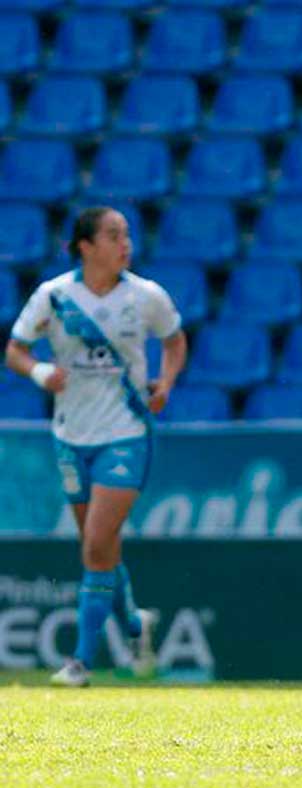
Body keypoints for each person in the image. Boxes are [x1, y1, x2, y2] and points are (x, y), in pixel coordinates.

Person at [5, 206, 187, 687]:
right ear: (85, 246)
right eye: (112, 235)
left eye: (126, 235)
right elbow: (15, 349)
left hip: (126, 432)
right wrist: (41, 372)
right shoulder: (56, 296)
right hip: (71, 435)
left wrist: (165, 382)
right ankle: (133, 625)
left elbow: (175, 340)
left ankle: (80, 663)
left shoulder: (145, 295)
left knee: (95, 545)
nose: (123, 243)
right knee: (101, 548)